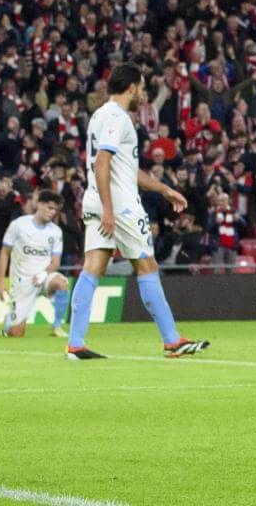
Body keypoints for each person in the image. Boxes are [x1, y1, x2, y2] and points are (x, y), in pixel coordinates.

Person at [65, 65, 209, 360]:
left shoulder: (99, 116)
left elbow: (125, 169)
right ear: (130, 87)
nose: (143, 94)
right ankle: (172, 340)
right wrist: (110, 208)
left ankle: (75, 344)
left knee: (93, 266)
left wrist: (163, 189)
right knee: (147, 265)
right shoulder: (117, 117)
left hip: (97, 200)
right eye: (142, 88)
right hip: (120, 206)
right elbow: (102, 161)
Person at [0, 189, 71, 339]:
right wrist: (1, 281)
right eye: (50, 208)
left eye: (55, 210)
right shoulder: (18, 225)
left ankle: (57, 327)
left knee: (62, 283)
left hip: (43, 277)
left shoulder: (56, 232)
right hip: (22, 282)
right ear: (39, 204)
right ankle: (10, 321)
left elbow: (55, 262)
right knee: (16, 334)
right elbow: (5, 252)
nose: (52, 212)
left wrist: (43, 274)